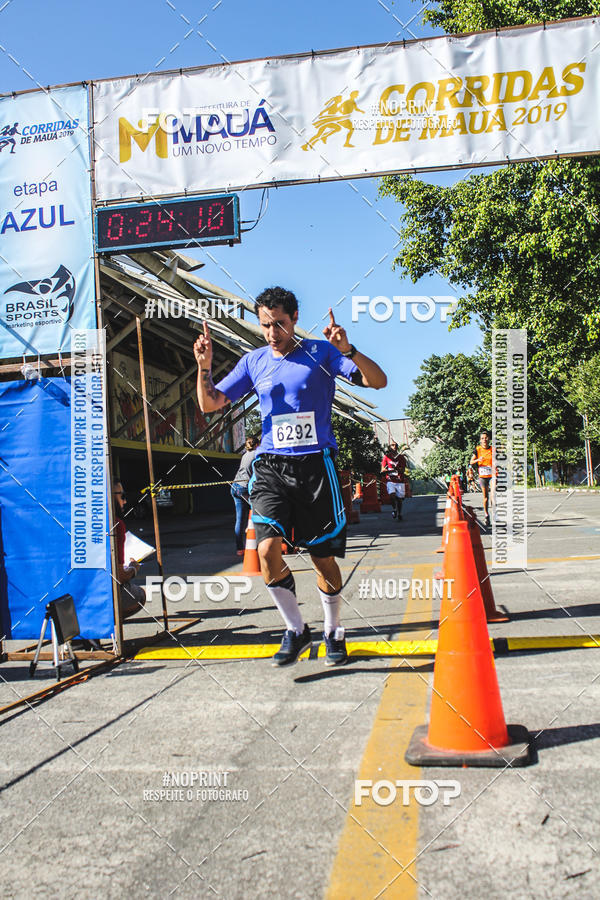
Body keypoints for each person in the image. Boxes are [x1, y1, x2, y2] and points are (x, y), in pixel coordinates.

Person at [194, 286, 386, 667]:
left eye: (279, 324)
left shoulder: (321, 352)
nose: (272, 333)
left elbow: (377, 382)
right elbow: (210, 403)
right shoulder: (254, 361)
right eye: (266, 325)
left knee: (323, 559)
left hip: (317, 466)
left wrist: (348, 349)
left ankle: (333, 630)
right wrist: (204, 366)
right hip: (271, 467)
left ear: (295, 318)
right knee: (265, 550)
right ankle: (296, 629)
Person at [113, 480, 146, 619]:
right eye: (122, 496)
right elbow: (119, 576)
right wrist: (133, 568)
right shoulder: (116, 524)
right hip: (103, 594)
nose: (125, 501)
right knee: (140, 595)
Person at [231, 435, 259, 555]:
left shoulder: (245, 455)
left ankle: (239, 549)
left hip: (235, 486)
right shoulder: (256, 455)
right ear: (257, 445)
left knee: (239, 519)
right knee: (257, 511)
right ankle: (251, 529)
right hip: (243, 488)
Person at [470, 431, 495, 526]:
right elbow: (471, 462)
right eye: (482, 438)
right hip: (483, 476)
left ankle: (494, 514)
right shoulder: (477, 449)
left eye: (486, 438)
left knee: (493, 495)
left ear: (489, 439)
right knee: (485, 498)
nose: (484, 440)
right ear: (480, 440)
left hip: (492, 475)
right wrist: (478, 460)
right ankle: (486, 515)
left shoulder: (493, 449)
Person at [381, 442, 408, 520]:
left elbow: (403, 470)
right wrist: (385, 470)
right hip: (390, 480)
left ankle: (399, 513)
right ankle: (394, 509)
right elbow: (382, 469)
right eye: (392, 445)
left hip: (399, 480)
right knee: (392, 495)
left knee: (399, 499)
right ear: (390, 447)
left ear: (397, 447)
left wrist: (396, 468)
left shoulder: (401, 457)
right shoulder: (386, 457)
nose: (394, 446)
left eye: (396, 445)